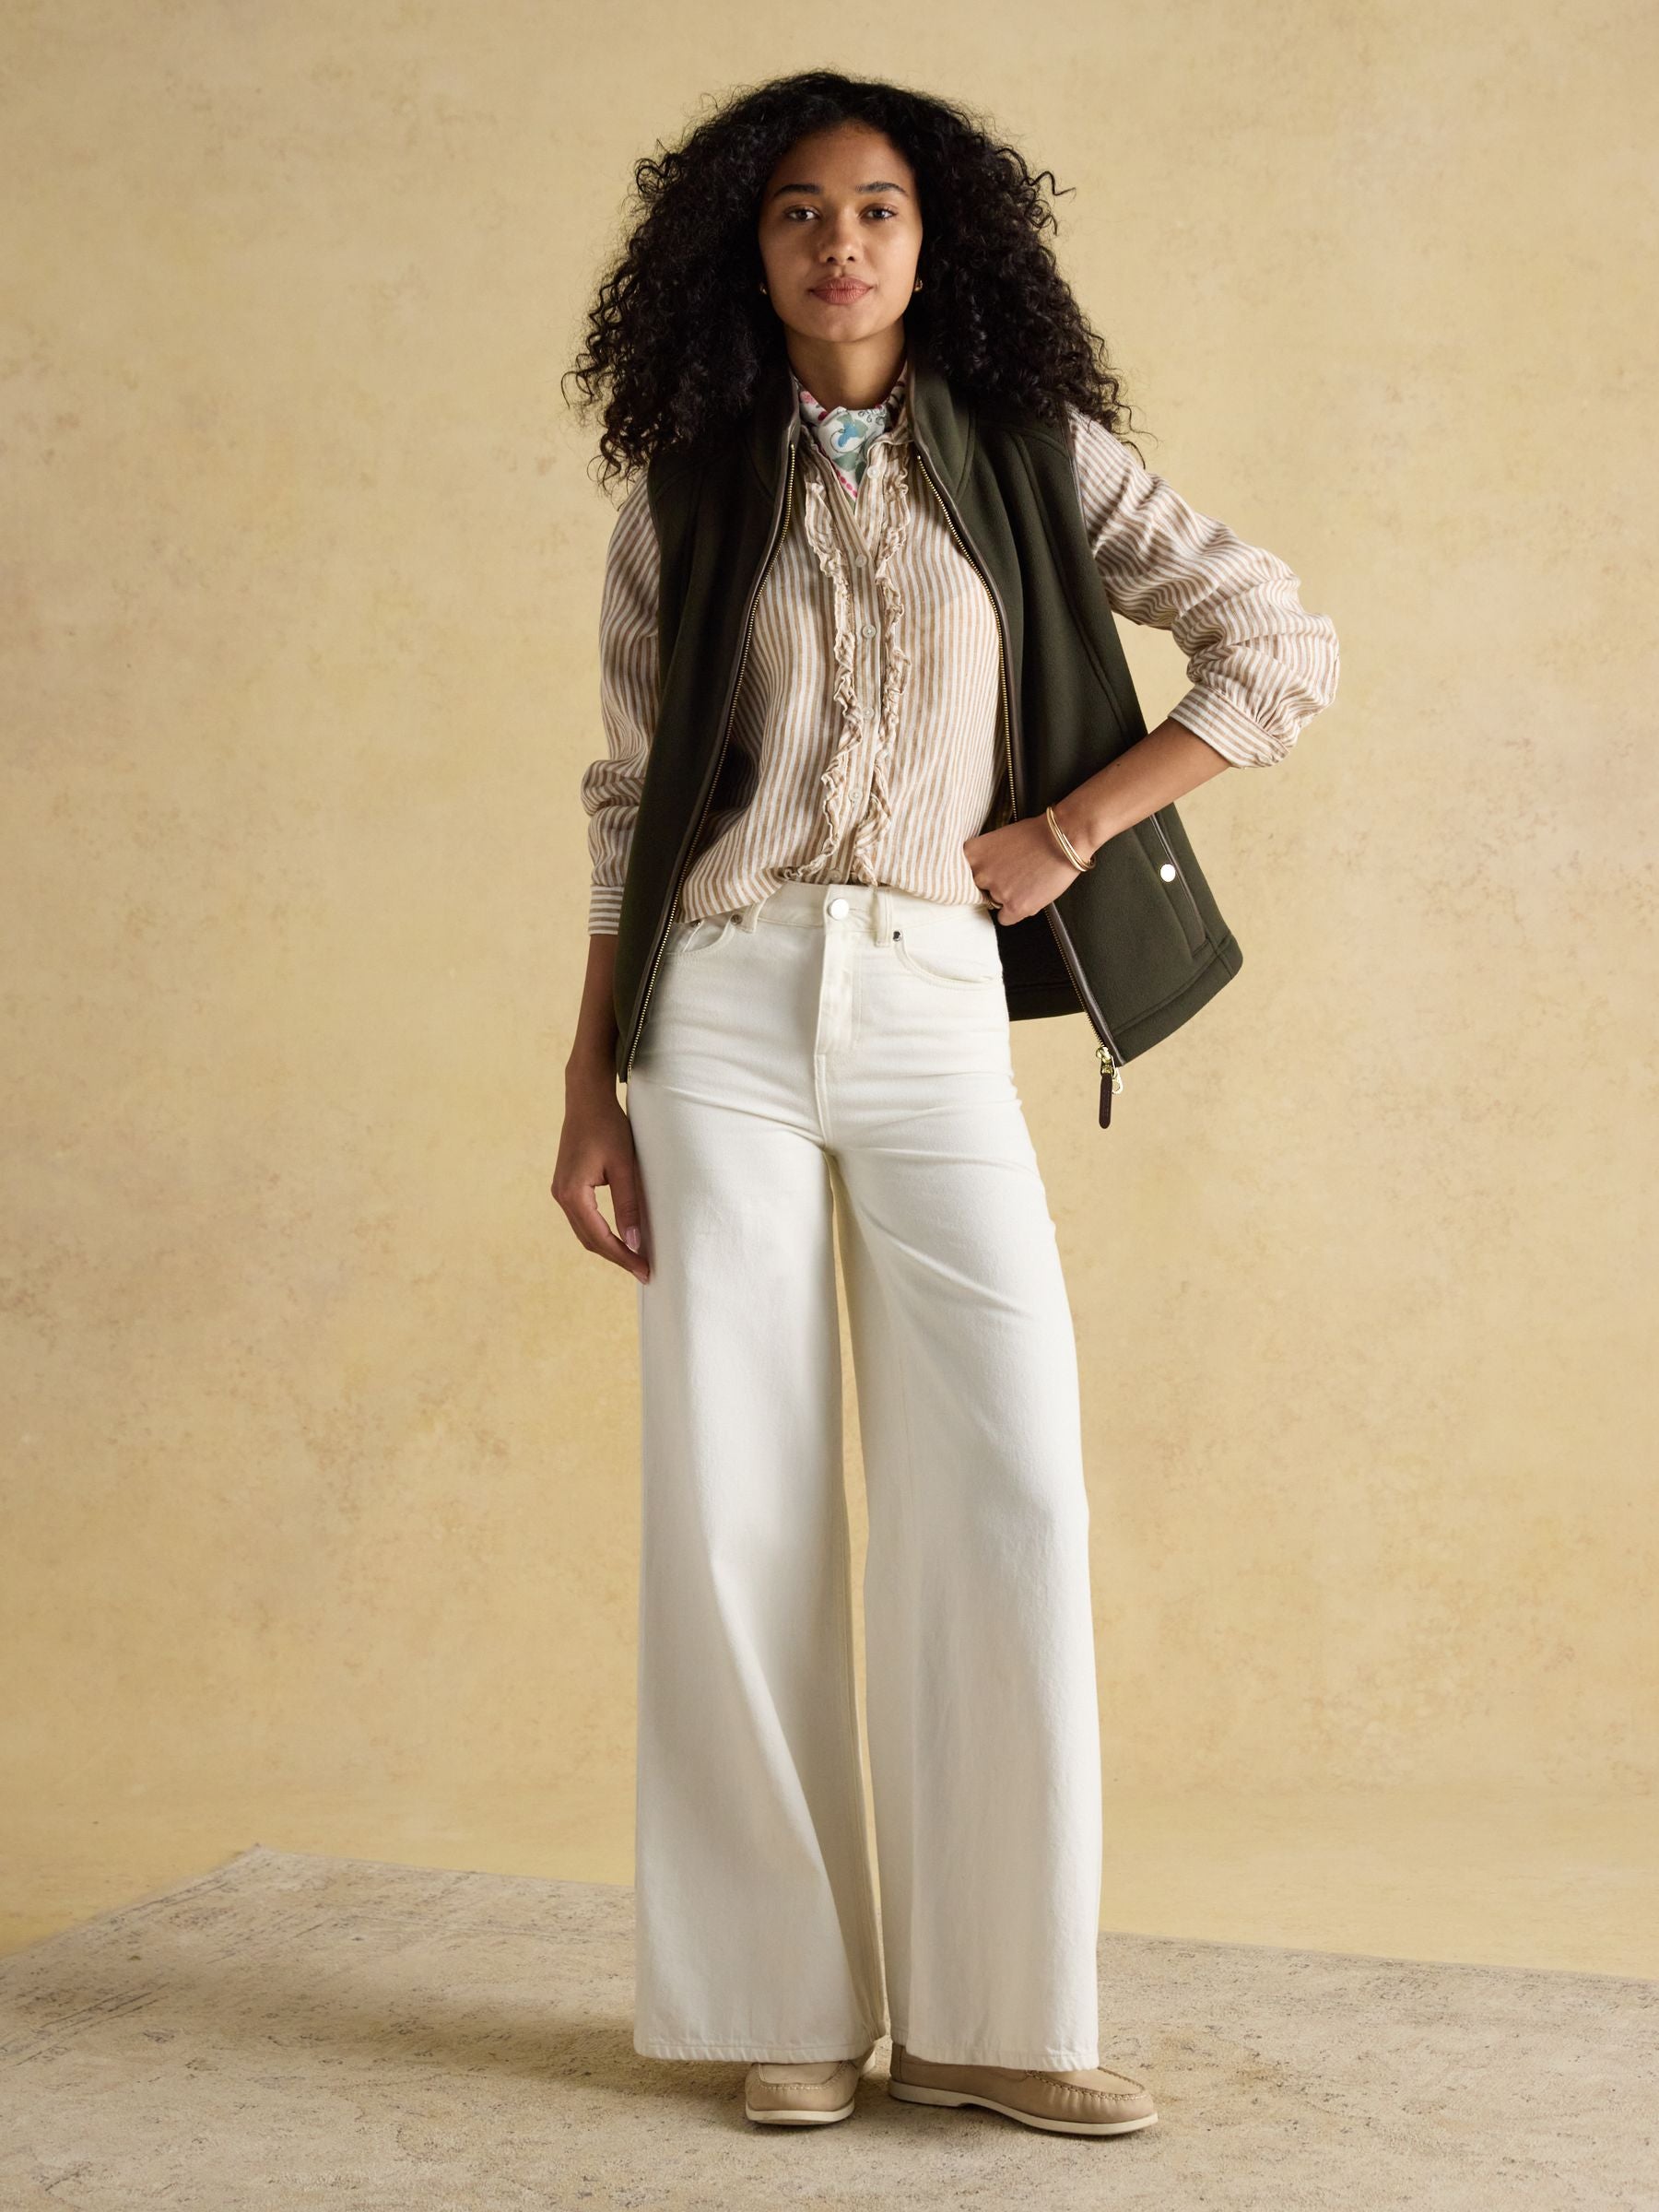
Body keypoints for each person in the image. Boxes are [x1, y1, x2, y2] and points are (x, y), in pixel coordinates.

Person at [554, 71, 1339, 2138]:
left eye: (880, 208)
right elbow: (630, 806)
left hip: (926, 998)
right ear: (744, 249)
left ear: (935, 239)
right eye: (801, 211)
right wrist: (588, 1081)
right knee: (734, 1491)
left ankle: (1001, 2012)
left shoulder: (1035, 453)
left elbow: (1279, 642)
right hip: (716, 1008)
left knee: (1006, 1482)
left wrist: (1074, 827)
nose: (842, 242)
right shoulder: (679, 498)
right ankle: (781, 2003)